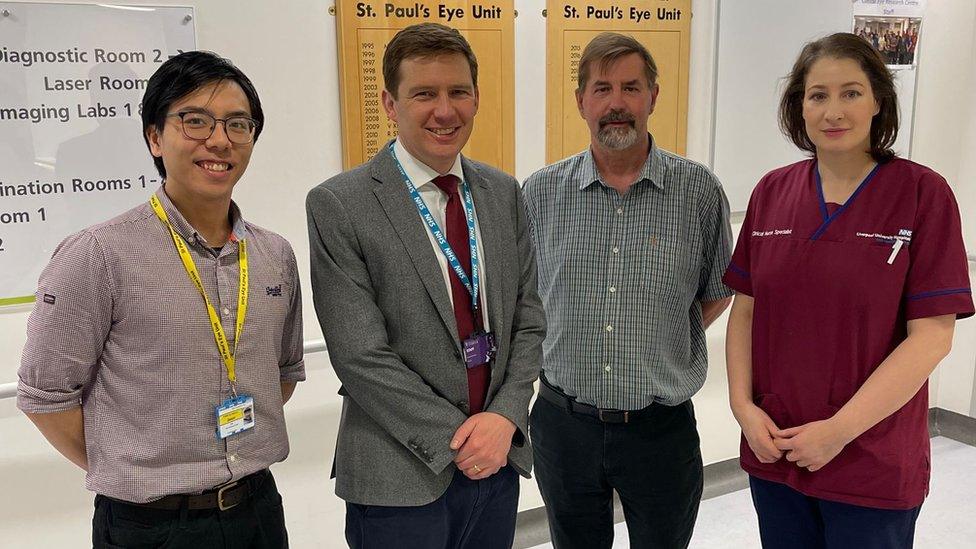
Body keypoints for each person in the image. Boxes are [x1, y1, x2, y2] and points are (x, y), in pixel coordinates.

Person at [18, 51, 304, 548]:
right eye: (195, 121)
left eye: (239, 124)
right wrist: (135, 465)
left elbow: (281, 375)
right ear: (155, 137)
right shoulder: (99, 255)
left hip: (257, 510)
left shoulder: (274, 254)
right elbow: (45, 398)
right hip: (148, 526)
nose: (219, 139)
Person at [723, 32, 974, 549]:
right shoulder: (773, 191)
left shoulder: (922, 193)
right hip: (777, 449)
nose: (833, 111)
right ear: (800, 107)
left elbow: (931, 338)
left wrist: (837, 431)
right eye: (818, 95)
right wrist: (742, 408)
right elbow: (745, 311)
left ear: (878, 101)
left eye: (851, 92)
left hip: (870, 459)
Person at [306, 22, 545, 549]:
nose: (445, 110)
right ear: (390, 104)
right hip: (399, 475)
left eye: (458, 92)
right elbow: (360, 355)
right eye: (424, 94)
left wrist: (504, 417)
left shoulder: (502, 193)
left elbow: (530, 320)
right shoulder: (340, 204)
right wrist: (461, 440)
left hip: (498, 463)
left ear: (477, 98)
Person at [522, 32, 733, 549]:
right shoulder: (540, 192)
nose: (617, 103)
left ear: (653, 97)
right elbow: (523, 297)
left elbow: (717, 288)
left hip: (660, 430)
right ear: (581, 101)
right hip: (563, 425)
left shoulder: (698, 191)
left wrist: (661, 339)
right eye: (602, 88)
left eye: (631, 87)